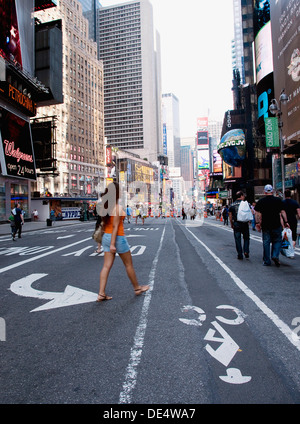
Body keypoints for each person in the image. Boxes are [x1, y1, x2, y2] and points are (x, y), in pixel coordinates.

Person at [97, 182, 149, 302]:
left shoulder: (105, 206)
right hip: (117, 238)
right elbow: (115, 226)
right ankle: (137, 288)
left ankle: (101, 293)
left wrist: (108, 240)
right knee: (128, 264)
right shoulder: (117, 207)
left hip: (106, 236)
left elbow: (105, 224)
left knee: (106, 266)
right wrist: (112, 244)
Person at [255, 184, 289, 267]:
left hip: (266, 225)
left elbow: (257, 213)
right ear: (272, 191)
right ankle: (275, 255)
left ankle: (267, 261)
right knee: (277, 241)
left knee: (266, 242)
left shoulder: (261, 201)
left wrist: (257, 223)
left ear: (264, 192)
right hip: (276, 224)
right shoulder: (278, 200)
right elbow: (283, 212)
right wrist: (286, 221)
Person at [229, 191, 250, 260]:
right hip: (244, 223)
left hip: (236, 223)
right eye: (243, 196)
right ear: (241, 196)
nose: (244, 197)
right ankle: (246, 251)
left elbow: (230, 216)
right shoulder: (246, 204)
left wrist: (232, 224)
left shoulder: (232, 205)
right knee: (246, 238)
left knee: (237, 239)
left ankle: (239, 254)